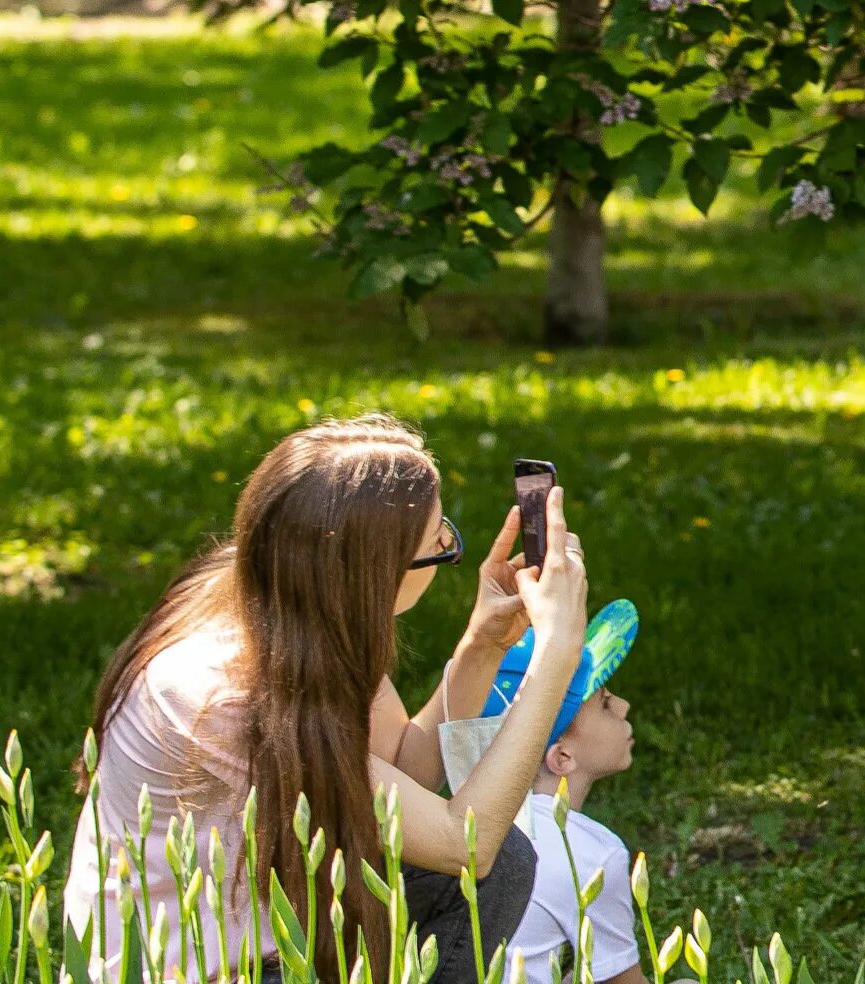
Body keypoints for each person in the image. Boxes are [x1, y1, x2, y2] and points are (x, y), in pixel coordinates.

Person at [65, 416, 592, 984]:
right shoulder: (222, 695)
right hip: (206, 963)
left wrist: (482, 647)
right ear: (372, 573)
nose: (448, 547)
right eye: (437, 541)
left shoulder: (290, 604)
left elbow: (404, 767)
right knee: (484, 863)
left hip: (281, 914)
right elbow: (462, 845)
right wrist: (553, 660)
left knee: (506, 864)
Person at [495, 601, 645, 984]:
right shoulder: (594, 853)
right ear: (562, 757)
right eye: (606, 703)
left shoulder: (476, 826)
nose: (624, 706)